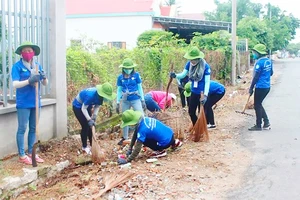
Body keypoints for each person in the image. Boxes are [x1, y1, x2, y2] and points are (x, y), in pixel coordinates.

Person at [11, 41, 48, 165]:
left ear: (33, 53)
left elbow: (45, 83)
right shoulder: (17, 66)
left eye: (30, 51)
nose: (28, 53)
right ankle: (21, 155)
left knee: (33, 128)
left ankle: (32, 152)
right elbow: (15, 84)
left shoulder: (37, 66)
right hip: (23, 103)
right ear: (21, 53)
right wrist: (29, 80)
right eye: (25, 51)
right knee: (22, 128)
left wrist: (44, 77)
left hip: (36, 102)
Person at [117, 110, 183, 165]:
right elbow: (135, 134)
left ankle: (160, 151)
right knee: (154, 134)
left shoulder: (142, 130)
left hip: (165, 142)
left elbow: (137, 148)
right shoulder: (145, 119)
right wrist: (130, 148)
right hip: (170, 135)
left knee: (144, 140)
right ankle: (174, 143)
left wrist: (128, 160)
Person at [170, 46, 211, 125]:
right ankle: (196, 127)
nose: (192, 61)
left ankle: (202, 128)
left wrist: (205, 95)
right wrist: (175, 75)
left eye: (194, 59)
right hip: (194, 92)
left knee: (201, 113)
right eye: (191, 59)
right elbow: (183, 75)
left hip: (202, 93)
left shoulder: (205, 66)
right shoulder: (189, 64)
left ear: (198, 58)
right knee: (191, 112)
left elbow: (207, 82)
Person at [72, 82, 116, 154]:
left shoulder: (101, 97)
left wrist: (94, 116)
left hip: (87, 106)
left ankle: (93, 146)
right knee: (85, 126)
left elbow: (97, 106)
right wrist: (89, 119)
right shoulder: (91, 95)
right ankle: (84, 147)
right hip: (78, 107)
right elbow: (83, 108)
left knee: (91, 126)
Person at [116, 58, 146, 145]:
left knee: (141, 117)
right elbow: (119, 90)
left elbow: (140, 87)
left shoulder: (136, 75)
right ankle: (125, 137)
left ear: (132, 68)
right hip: (125, 100)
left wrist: (142, 100)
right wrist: (118, 102)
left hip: (135, 98)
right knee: (125, 118)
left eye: (130, 68)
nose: (128, 70)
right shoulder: (120, 77)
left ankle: (143, 135)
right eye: (126, 68)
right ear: (123, 68)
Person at [248, 44, 273, 131]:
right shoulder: (269, 61)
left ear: (259, 53)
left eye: (255, 52)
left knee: (257, 105)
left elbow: (256, 77)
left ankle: (258, 125)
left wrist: (251, 88)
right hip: (267, 86)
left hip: (260, 87)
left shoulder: (259, 62)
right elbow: (271, 73)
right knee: (259, 104)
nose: (253, 54)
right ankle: (266, 122)